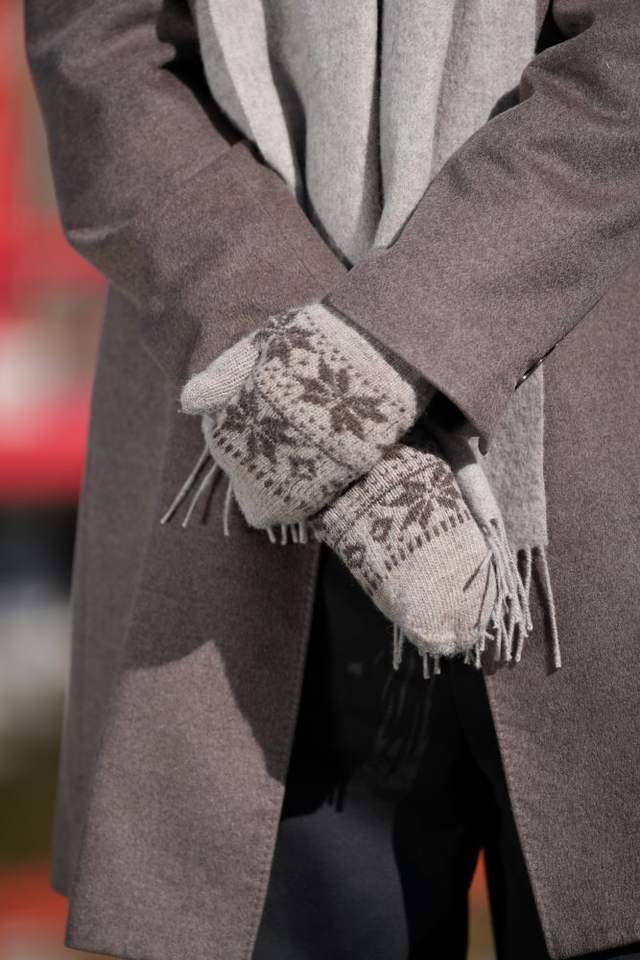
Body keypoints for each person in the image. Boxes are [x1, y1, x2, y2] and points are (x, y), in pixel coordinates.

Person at [25, 0, 640, 958]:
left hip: (586, 491)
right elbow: (95, 56)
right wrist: (330, 414)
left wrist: (374, 358)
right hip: (240, 523)